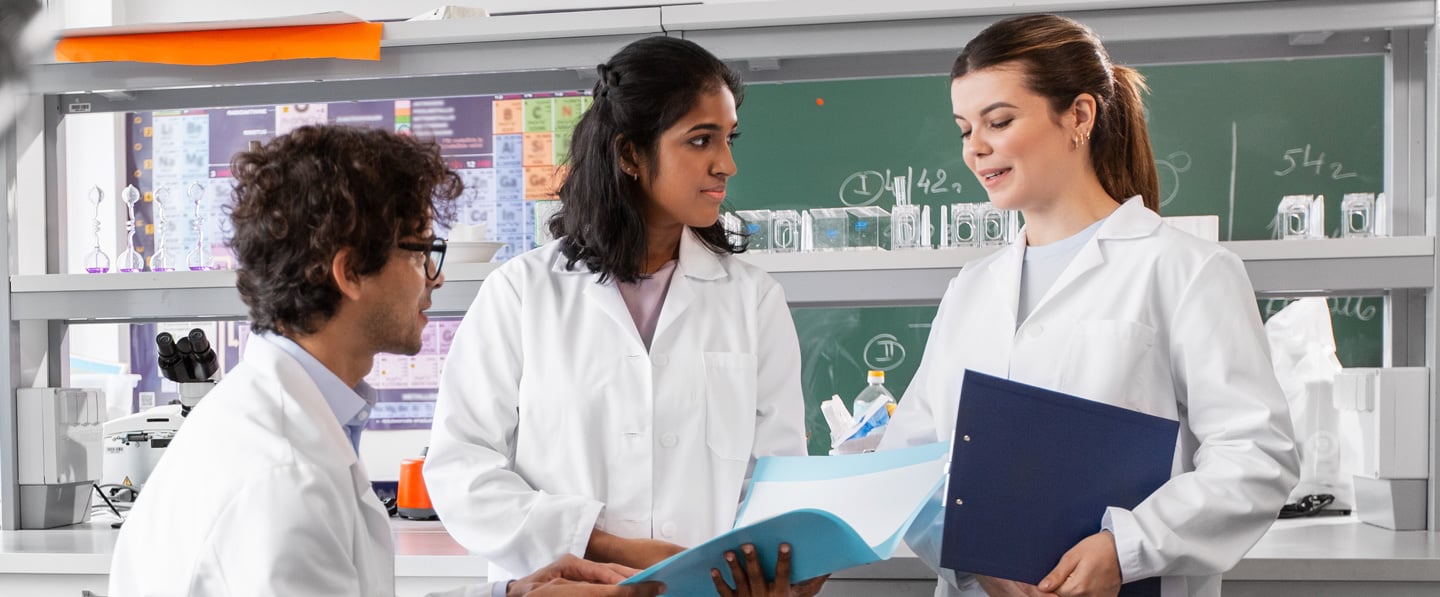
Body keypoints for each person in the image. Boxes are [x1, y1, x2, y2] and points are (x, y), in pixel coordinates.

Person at [108, 125, 663, 597]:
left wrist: (513, 594)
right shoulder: (284, 480)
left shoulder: (277, 420)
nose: (436, 277)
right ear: (349, 273)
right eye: (421, 251)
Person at [877, 14, 1299, 597]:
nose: (977, 149)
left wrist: (1124, 549)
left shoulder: (1185, 269)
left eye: (999, 121)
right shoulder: (972, 289)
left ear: (1078, 115)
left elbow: (1256, 458)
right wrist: (981, 559)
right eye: (964, 128)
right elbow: (910, 462)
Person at [425, 35, 821, 595]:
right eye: (701, 140)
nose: (727, 164)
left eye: (729, 138)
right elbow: (461, 472)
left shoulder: (752, 300)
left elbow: (776, 477)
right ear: (630, 154)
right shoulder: (520, 293)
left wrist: (779, 566)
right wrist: (604, 544)